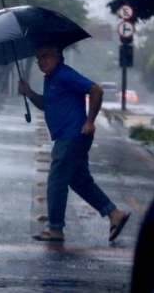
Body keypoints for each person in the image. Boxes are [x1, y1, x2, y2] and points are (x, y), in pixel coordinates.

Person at [18, 44, 130, 242]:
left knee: (56, 179)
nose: (41, 61)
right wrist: (29, 93)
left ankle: (55, 228)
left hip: (72, 135)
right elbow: (46, 104)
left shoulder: (64, 74)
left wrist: (90, 121)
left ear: (58, 56)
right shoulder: (51, 78)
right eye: (38, 58)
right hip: (66, 136)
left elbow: (96, 90)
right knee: (79, 180)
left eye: (45, 55)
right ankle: (114, 214)